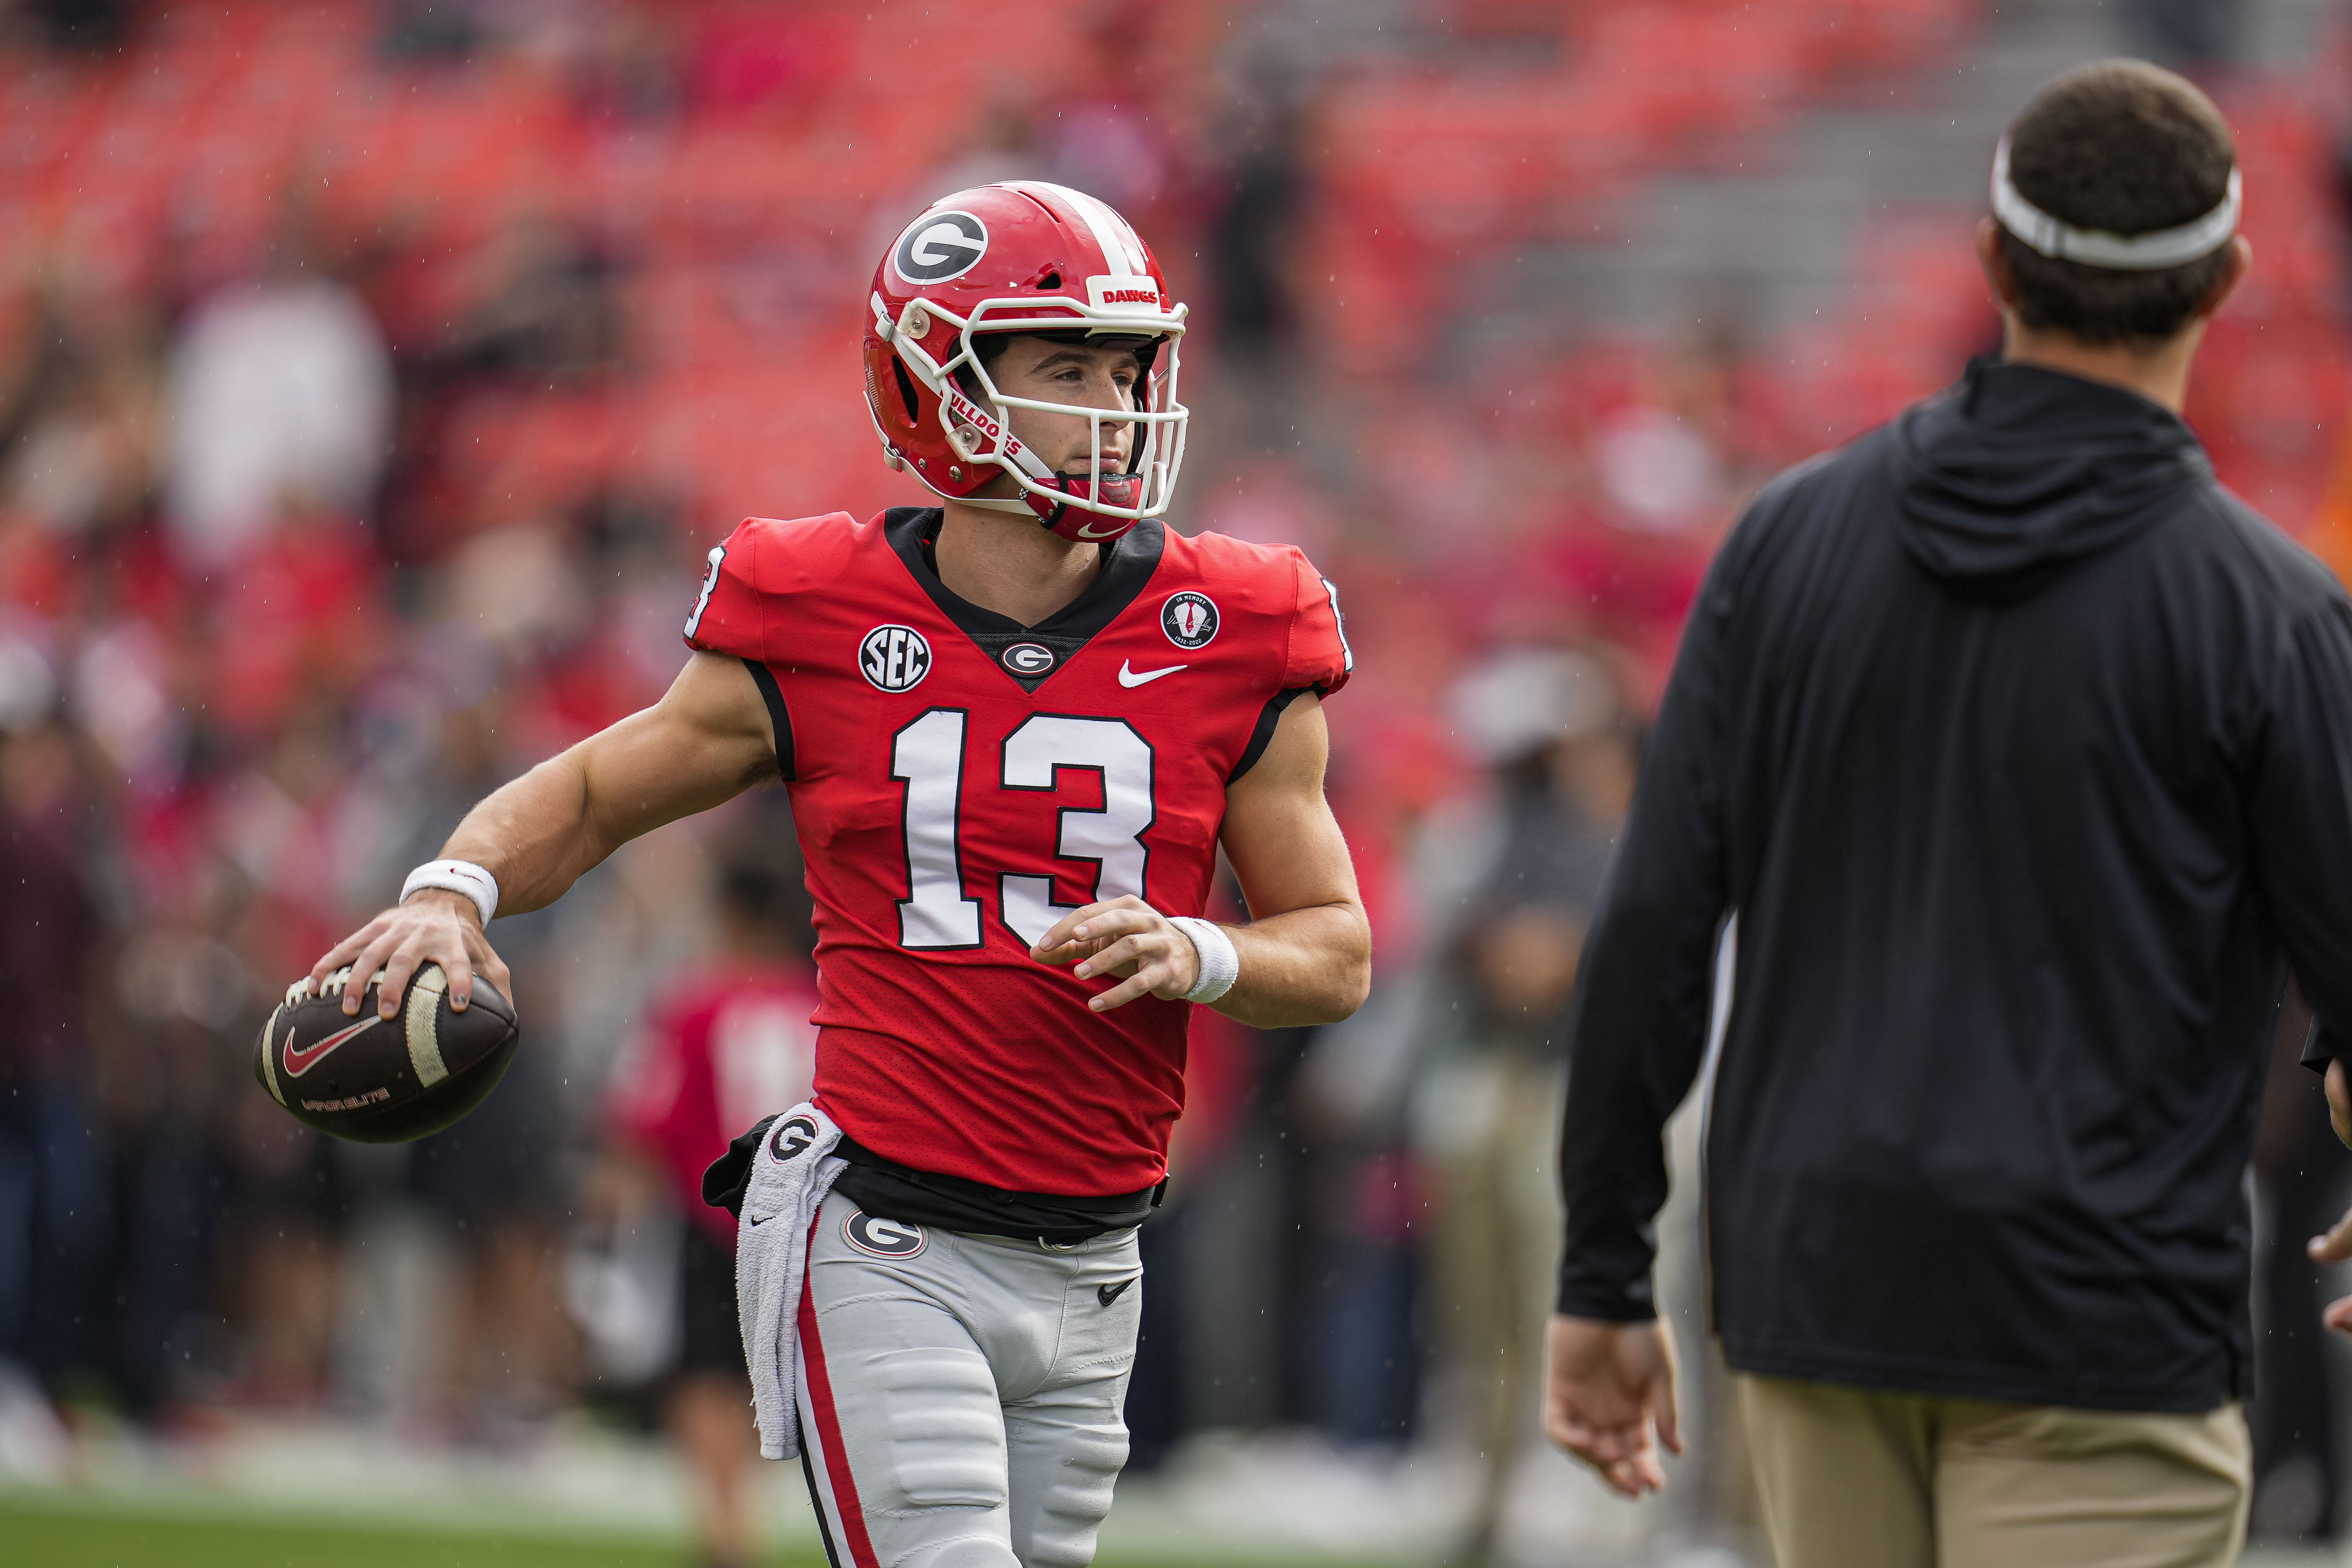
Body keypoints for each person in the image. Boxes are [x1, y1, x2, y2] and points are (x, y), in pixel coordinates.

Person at [305, 180, 1370, 1568]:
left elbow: (1334, 951)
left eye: (1127, 364)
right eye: (1067, 366)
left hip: (1102, 1259)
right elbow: (591, 790)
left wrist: (1204, 952)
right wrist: (451, 888)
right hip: (889, 1238)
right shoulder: (819, 606)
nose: (1116, 403)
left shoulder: (1237, 622)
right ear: (943, 385)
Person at [1544, 59, 2352, 1568]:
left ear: (1987, 259)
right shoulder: (2267, 609)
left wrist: (1600, 1272)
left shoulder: (1780, 545)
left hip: (1817, 1286)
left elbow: (1651, 922)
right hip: (2100, 1309)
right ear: (2227, 278)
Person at [602, 856, 820, 1568]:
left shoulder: (694, 1003)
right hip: (803, 1227)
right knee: (764, 1375)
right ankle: (742, 1522)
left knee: (703, 1375)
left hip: (711, 1221)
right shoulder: (820, 1004)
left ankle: (727, 1530)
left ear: (728, 911)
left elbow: (645, 1116)